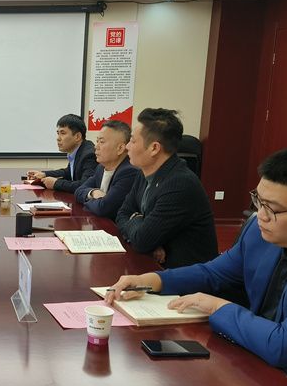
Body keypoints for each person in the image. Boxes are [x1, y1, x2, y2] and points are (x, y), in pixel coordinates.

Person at [106, 144, 287, 386]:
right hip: (257, 366)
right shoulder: (261, 232)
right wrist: (152, 280)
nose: (260, 215)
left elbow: (285, 347)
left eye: (272, 209)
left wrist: (217, 307)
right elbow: (214, 273)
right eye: (258, 200)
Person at [115, 108, 217, 268]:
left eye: (133, 141)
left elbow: (142, 241)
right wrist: (143, 230)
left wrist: (136, 221)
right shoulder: (144, 172)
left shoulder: (180, 184)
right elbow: (122, 214)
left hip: (186, 276)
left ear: (154, 148)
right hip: (156, 266)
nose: (127, 146)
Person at [74, 120, 141, 219]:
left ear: (120, 148)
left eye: (101, 142)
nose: (96, 146)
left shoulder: (129, 172)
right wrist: (93, 193)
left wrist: (88, 199)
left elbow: (103, 208)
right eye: (97, 141)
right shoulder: (100, 168)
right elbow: (78, 191)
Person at [26, 114, 98, 193]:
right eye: (58, 133)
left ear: (77, 136)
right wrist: (44, 174)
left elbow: (84, 185)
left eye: (63, 133)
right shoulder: (78, 151)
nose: (58, 138)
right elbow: (68, 172)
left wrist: (56, 183)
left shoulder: (89, 155)